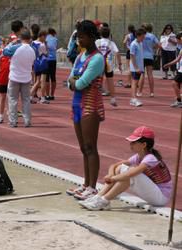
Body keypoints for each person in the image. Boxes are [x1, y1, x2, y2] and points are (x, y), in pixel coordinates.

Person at [81, 126, 172, 210]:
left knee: (129, 174)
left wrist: (112, 178)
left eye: (134, 142)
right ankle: (98, 197)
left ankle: (104, 200)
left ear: (144, 144)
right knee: (121, 168)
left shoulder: (151, 158)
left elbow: (131, 174)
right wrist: (111, 174)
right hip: (153, 192)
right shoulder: (138, 156)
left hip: (160, 197)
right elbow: (114, 165)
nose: (130, 144)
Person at [66, 20, 105, 201]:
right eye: (78, 37)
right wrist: (75, 82)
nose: (79, 40)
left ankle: (92, 187)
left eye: (82, 37)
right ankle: (85, 183)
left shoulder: (97, 59)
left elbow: (80, 83)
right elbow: (69, 82)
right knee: (83, 148)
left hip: (90, 105)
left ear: (91, 37)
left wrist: (75, 81)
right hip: (77, 104)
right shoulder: (81, 56)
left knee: (91, 147)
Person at [3, 29, 36, 128]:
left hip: (14, 77)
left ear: (20, 38)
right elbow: (33, 61)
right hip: (26, 77)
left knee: (13, 99)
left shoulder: (16, 47)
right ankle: (27, 121)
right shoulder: (32, 50)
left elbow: (5, 52)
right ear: (29, 38)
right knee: (26, 100)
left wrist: (10, 43)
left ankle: (13, 121)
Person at [96, 26, 121, 106]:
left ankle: (95, 99)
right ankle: (113, 99)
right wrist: (119, 64)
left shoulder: (97, 42)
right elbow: (117, 53)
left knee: (97, 81)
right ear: (109, 34)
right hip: (108, 64)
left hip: (99, 63)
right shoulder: (111, 43)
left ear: (100, 34)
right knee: (110, 81)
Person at [138, 23, 160, 97]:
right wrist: (153, 47)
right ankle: (152, 92)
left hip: (141, 56)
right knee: (150, 74)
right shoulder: (152, 36)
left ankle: (140, 92)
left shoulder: (141, 35)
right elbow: (159, 45)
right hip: (150, 56)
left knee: (142, 74)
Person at [163, 32, 182, 107]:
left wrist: (168, 64)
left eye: (178, 40)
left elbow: (177, 59)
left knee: (174, 83)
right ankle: (178, 100)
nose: (177, 42)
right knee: (177, 84)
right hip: (179, 69)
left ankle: (179, 101)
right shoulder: (180, 47)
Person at [30, 30, 48, 104]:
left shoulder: (33, 43)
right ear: (42, 36)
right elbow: (46, 53)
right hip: (42, 62)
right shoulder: (42, 45)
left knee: (37, 81)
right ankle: (43, 98)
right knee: (43, 81)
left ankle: (30, 96)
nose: (45, 39)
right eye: (45, 37)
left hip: (36, 62)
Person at [129, 28, 146, 107]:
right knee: (135, 82)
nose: (144, 38)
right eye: (143, 36)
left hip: (140, 66)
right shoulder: (134, 44)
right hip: (135, 67)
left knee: (136, 82)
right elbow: (132, 56)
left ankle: (133, 98)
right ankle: (133, 98)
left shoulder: (140, 43)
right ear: (138, 36)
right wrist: (136, 67)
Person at [44, 28, 58, 100]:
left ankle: (47, 95)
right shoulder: (55, 39)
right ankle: (52, 95)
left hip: (46, 59)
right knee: (53, 77)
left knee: (46, 78)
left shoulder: (45, 38)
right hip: (53, 59)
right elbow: (55, 47)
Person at [122, 24, 136, 89]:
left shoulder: (128, 36)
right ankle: (136, 83)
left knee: (129, 68)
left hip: (129, 51)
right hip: (136, 52)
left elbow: (124, 42)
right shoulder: (136, 35)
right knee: (135, 67)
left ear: (128, 29)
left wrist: (127, 47)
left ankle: (129, 83)